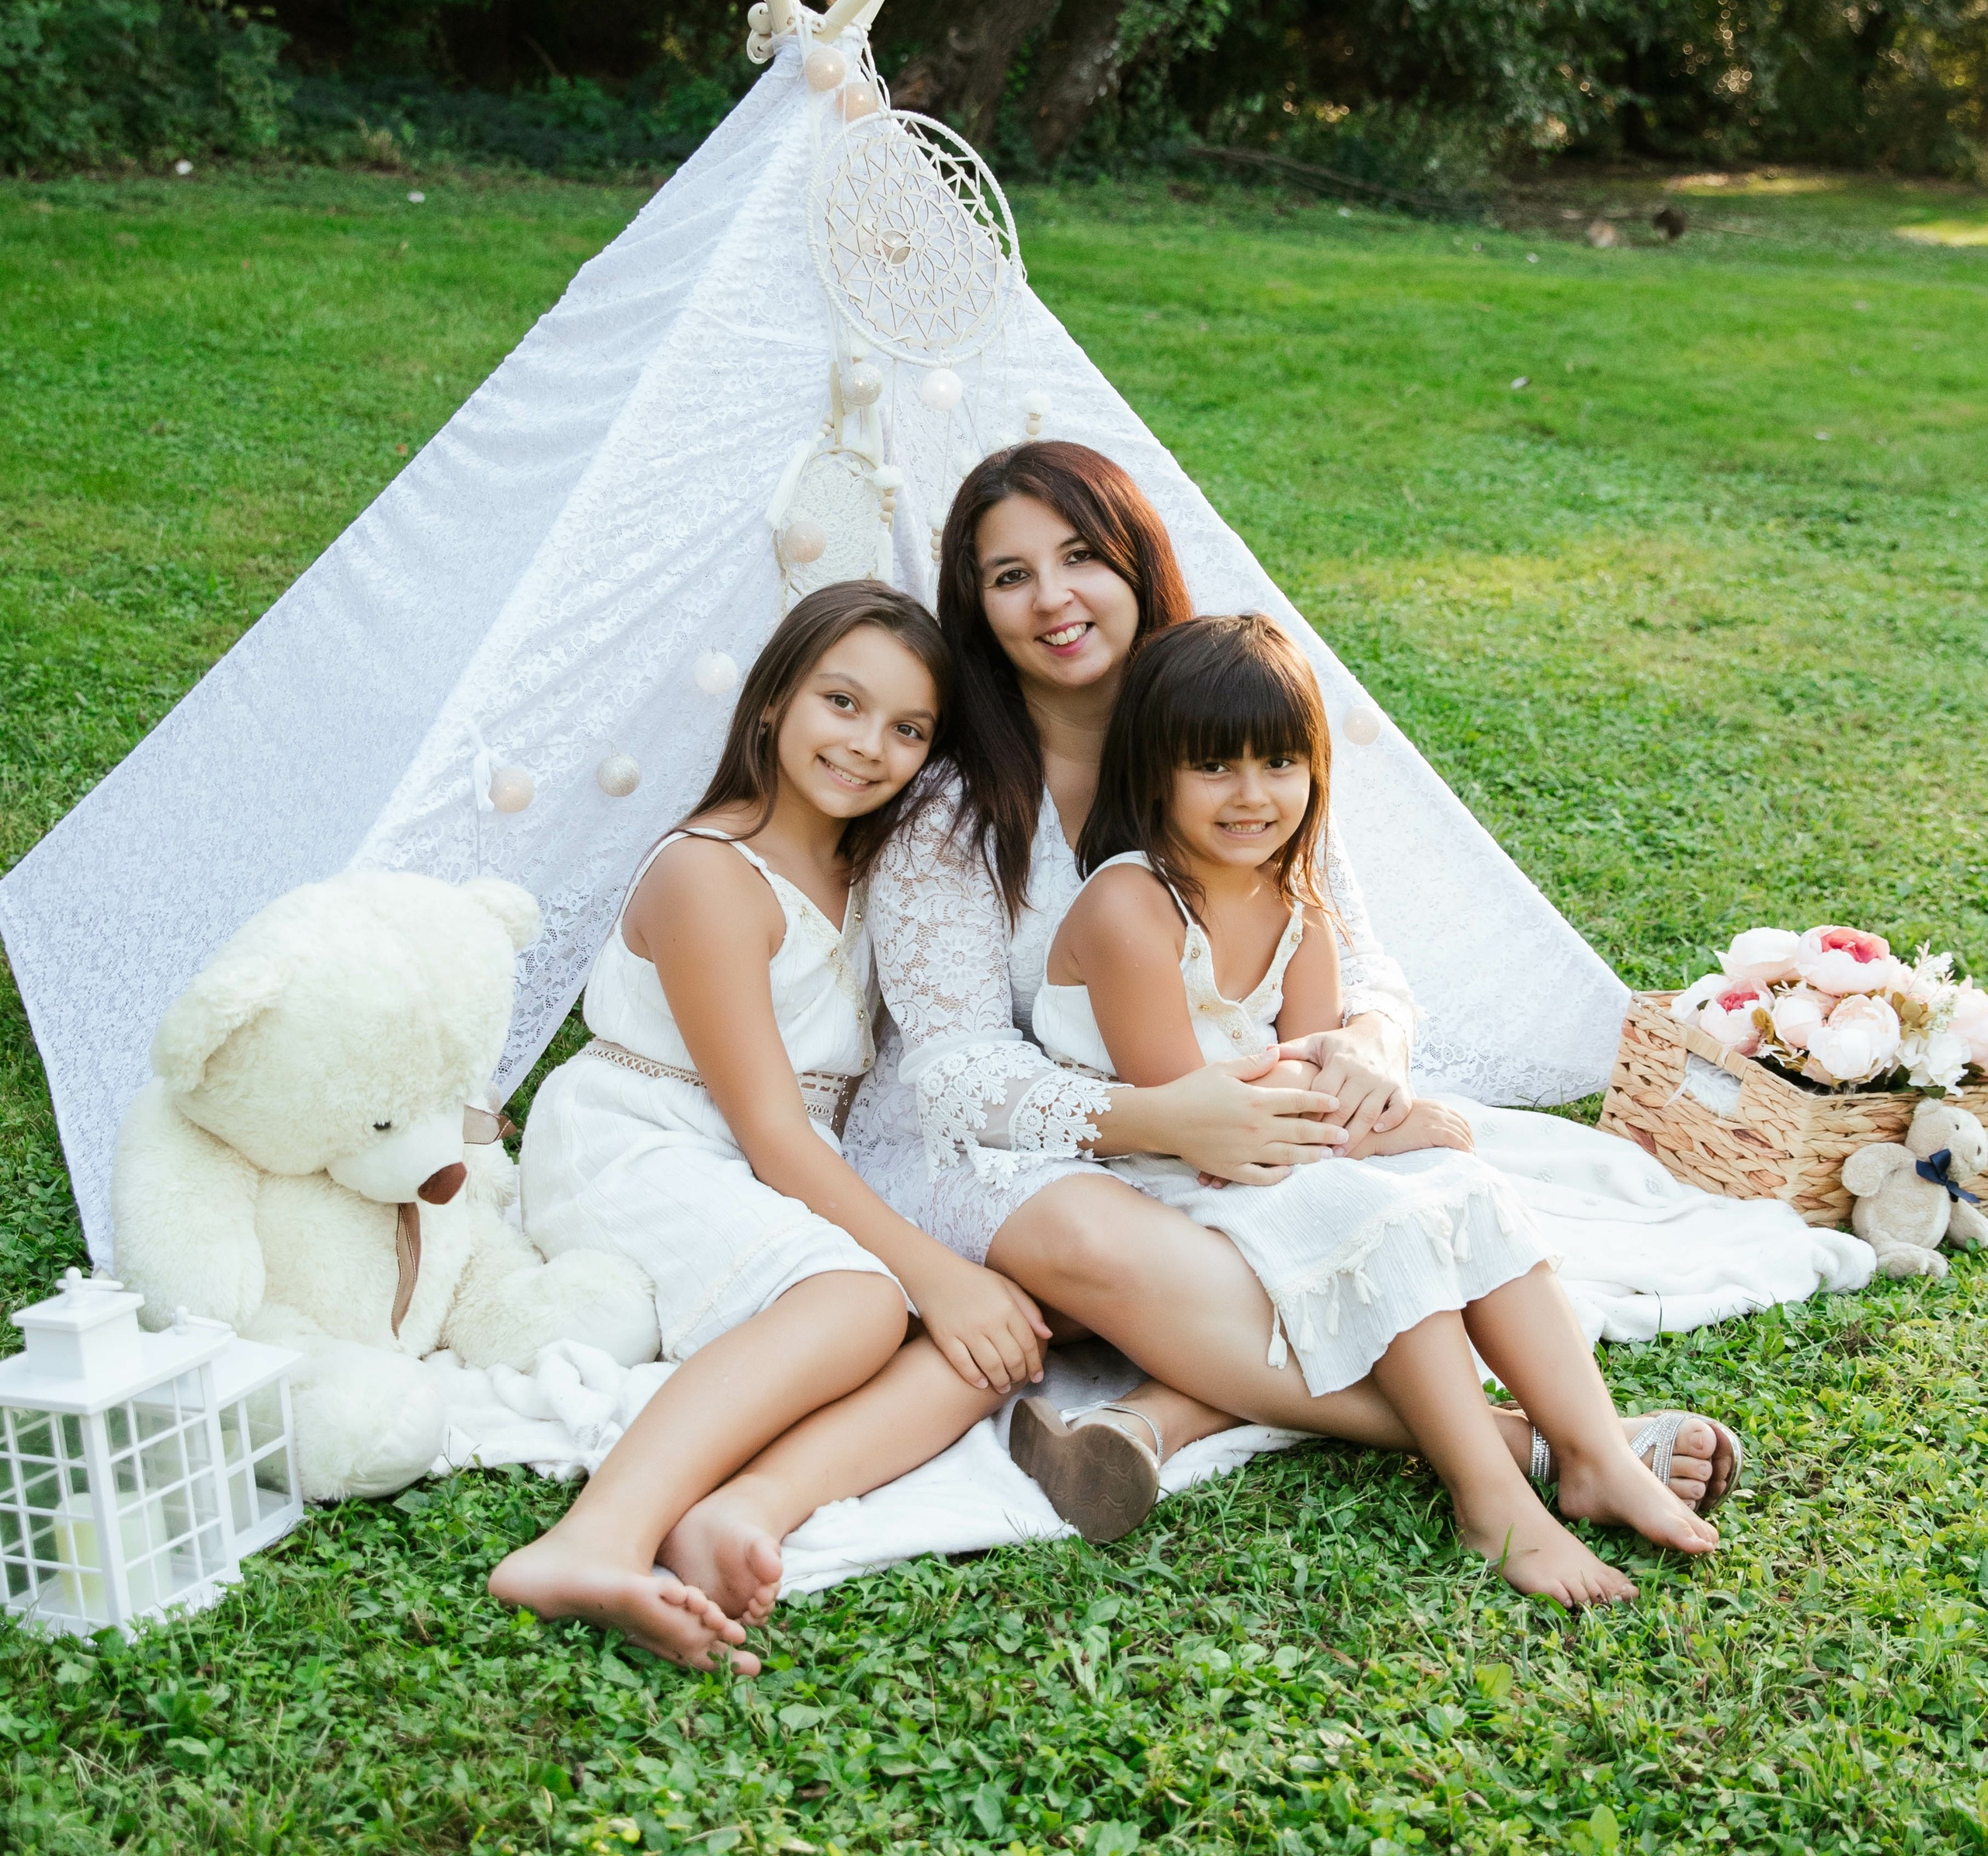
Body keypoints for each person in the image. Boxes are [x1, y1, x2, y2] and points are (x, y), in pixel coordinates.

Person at [659, 445, 1733, 1620]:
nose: (1055, 597)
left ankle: (1240, 1414)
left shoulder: (1237, 736)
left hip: (1224, 1121)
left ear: (1135, 562)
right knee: (1104, 1244)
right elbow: (958, 1063)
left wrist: (1368, 1049)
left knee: (1358, 1217)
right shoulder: (950, 803)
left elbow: (1356, 957)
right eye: (1010, 574)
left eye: (1080, 557)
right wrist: (1152, 1113)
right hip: (1008, 1144)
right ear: (977, 606)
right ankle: (1517, 1441)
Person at [1016, 610, 1719, 1604]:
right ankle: (1491, 1502)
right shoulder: (1128, 905)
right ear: (1153, 772)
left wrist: (1388, 1125)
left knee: (1461, 1186)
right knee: (1380, 1214)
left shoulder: (1300, 908)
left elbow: (1317, 1069)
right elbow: (1197, 1109)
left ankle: (1594, 1448)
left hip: (1276, 1155)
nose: (1253, 795)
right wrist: (1388, 1124)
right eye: (1215, 766)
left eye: (1279, 763)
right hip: (1161, 1169)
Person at [488, 582, 1051, 1667]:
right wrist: (932, 1271)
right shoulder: (711, 871)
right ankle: (592, 1539)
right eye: (841, 701)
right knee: (865, 1298)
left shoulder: (869, 872)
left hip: (771, 1157)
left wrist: (957, 1275)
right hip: (638, 1135)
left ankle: (742, 1507)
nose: (867, 744)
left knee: (995, 1329)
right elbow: (772, 1130)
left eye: (907, 728)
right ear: (771, 703)